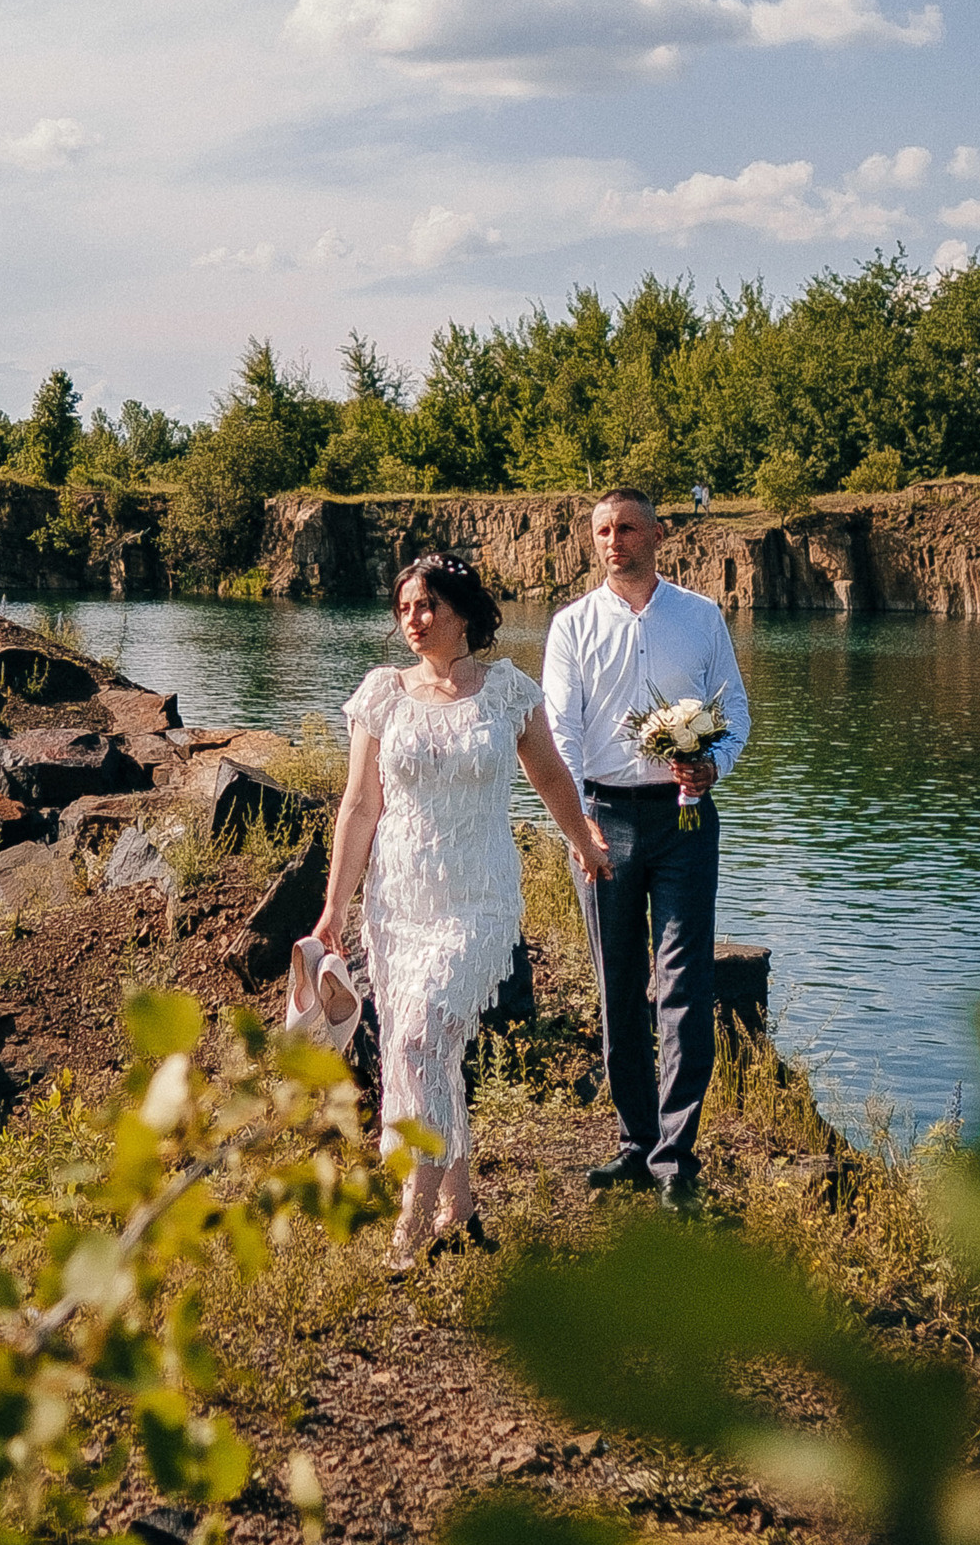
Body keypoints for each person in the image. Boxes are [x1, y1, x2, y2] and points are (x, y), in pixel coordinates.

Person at [313, 552, 614, 1271]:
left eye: (427, 607)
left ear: (464, 615)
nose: (412, 621)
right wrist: (332, 909)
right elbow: (359, 806)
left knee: (421, 1038)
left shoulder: (507, 691)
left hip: (477, 898)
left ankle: (410, 1222)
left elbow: (548, 774)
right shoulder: (383, 694)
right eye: (405, 608)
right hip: (399, 900)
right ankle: (462, 1203)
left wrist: (583, 840)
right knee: (422, 1051)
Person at [542, 488, 751, 1206]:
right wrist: (577, 824)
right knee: (618, 987)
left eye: (628, 527)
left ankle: (674, 1157)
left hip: (686, 819)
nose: (614, 540)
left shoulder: (701, 617)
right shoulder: (571, 626)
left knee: (686, 986)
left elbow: (738, 711)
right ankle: (635, 1143)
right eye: (602, 530)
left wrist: (712, 763)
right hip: (602, 815)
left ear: (658, 534)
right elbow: (560, 733)